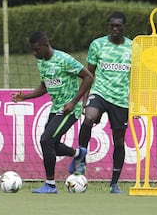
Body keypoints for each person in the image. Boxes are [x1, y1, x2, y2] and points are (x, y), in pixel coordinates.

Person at [11, 31, 93, 194]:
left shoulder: (64, 60)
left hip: (69, 109)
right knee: (52, 145)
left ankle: (50, 185)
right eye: (32, 50)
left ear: (45, 45)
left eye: (36, 49)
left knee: (46, 140)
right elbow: (44, 86)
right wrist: (24, 97)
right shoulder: (41, 62)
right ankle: (78, 153)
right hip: (56, 108)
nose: (34, 53)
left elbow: (89, 77)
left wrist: (74, 102)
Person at [70, 11, 132, 194]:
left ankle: (114, 184)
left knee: (119, 141)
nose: (114, 28)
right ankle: (80, 160)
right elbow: (89, 74)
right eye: (112, 25)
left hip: (121, 99)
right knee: (89, 117)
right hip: (100, 93)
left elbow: (138, 77)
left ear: (124, 27)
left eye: (118, 26)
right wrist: (84, 98)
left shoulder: (134, 48)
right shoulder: (97, 45)